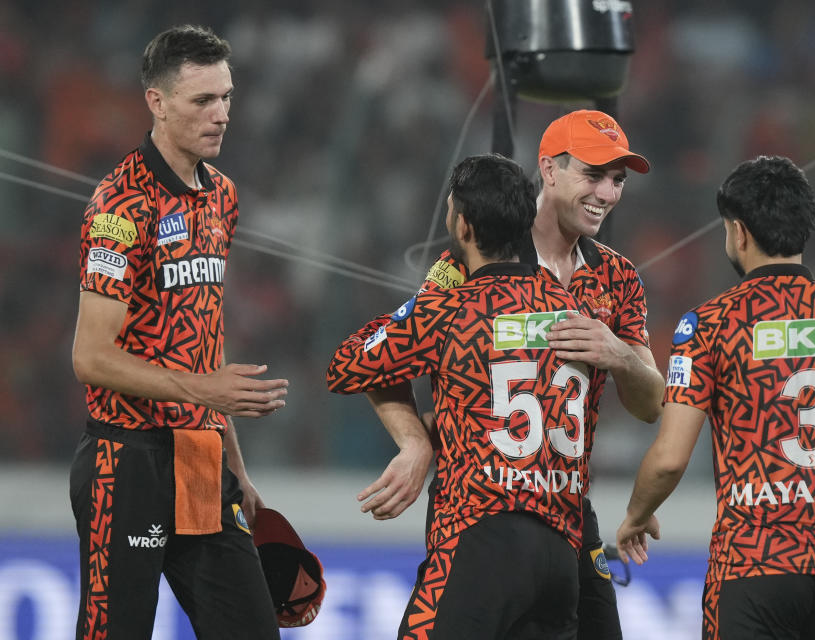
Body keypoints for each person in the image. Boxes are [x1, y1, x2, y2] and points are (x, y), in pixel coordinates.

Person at [357, 109, 665, 639]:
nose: (608, 194)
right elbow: (384, 363)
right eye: (593, 175)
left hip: (566, 513)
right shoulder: (466, 264)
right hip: (481, 513)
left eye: (617, 180)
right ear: (548, 169)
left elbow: (651, 403)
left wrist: (618, 353)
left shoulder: (616, 277)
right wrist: (415, 444)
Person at [616, 155, 815, 639]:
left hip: (755, 565)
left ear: (739, 233)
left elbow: (670, 459)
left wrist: (637, 513)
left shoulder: (708, 327)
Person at [70, 24, 289, 639]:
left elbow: (204, 340)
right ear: (157, 102)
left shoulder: (222, 196)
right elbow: (90, 357)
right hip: (126, 460)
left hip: (201, 460)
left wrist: (237, 468)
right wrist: (205, 395)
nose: (221, 114)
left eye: (226, 97)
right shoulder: (119, 207)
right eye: (202, 101)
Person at [327, 154, 591, 639]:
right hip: (561, 552)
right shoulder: (574, 308)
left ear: (463, 226)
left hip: (480, 538)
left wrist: (432, 290)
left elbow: (347, 365)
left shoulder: (449, 310)